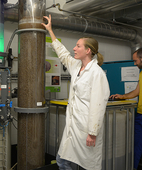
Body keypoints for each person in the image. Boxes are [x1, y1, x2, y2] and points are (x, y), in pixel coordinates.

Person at [42, 15, 110, 170]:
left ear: (88, 50)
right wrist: (50, 30)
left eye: (78, 46)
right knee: (62, 161)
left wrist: (92, 132)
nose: (74, 48)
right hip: (73, 125)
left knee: (89, 165)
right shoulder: (76, 65)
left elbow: (98, 105)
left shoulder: (97, 73)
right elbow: (63, 53)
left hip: (86, 128)